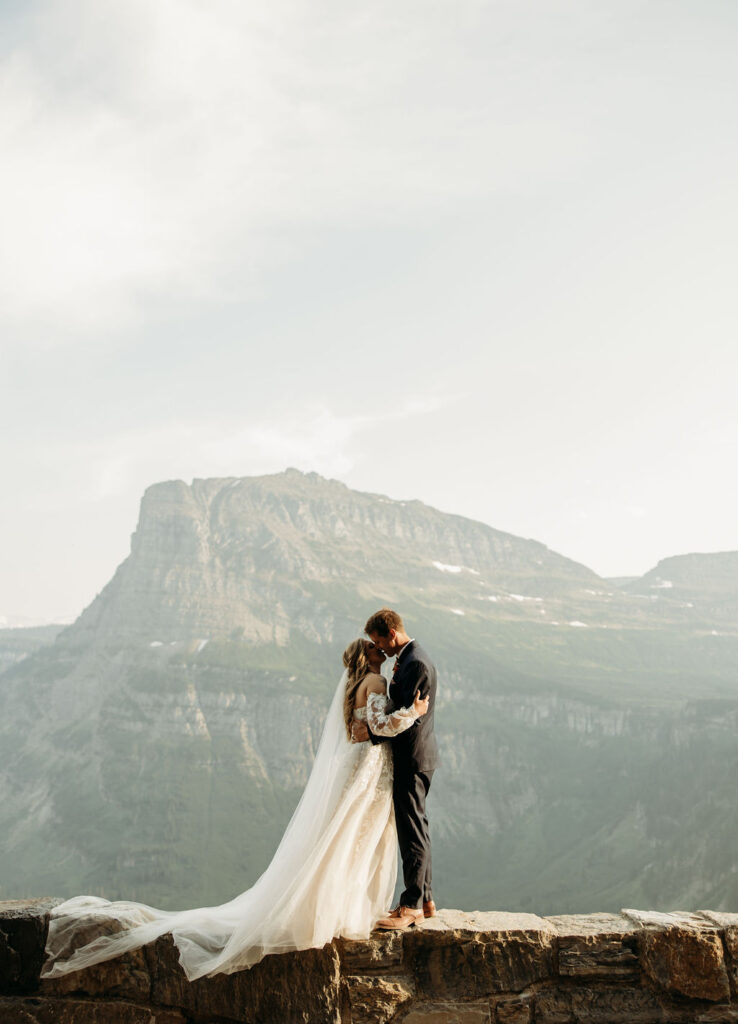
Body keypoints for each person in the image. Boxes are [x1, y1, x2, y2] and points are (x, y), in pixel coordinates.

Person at [41, 638, 428, 981]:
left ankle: (329, 908)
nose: (384, 652)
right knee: (354, 839)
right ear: (368, 656)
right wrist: (413, 711)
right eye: (378, 649)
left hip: (359, 765)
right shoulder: (375, 682)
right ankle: (342, 909)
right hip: (369, 768)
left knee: (343, 838)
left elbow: (360, 726)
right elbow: (379, 725)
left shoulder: (353, 684)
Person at [352, 608, 438, 930]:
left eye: (379, 641)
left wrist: (371, 731)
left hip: (412, 758)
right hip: (414, 757)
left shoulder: (415, 662)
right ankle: (426, 899)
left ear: (391, 633)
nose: (381, 649)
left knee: (412, 830)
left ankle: (412, 905)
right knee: (417, 826)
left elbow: (404, 715)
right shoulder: (408, 657)